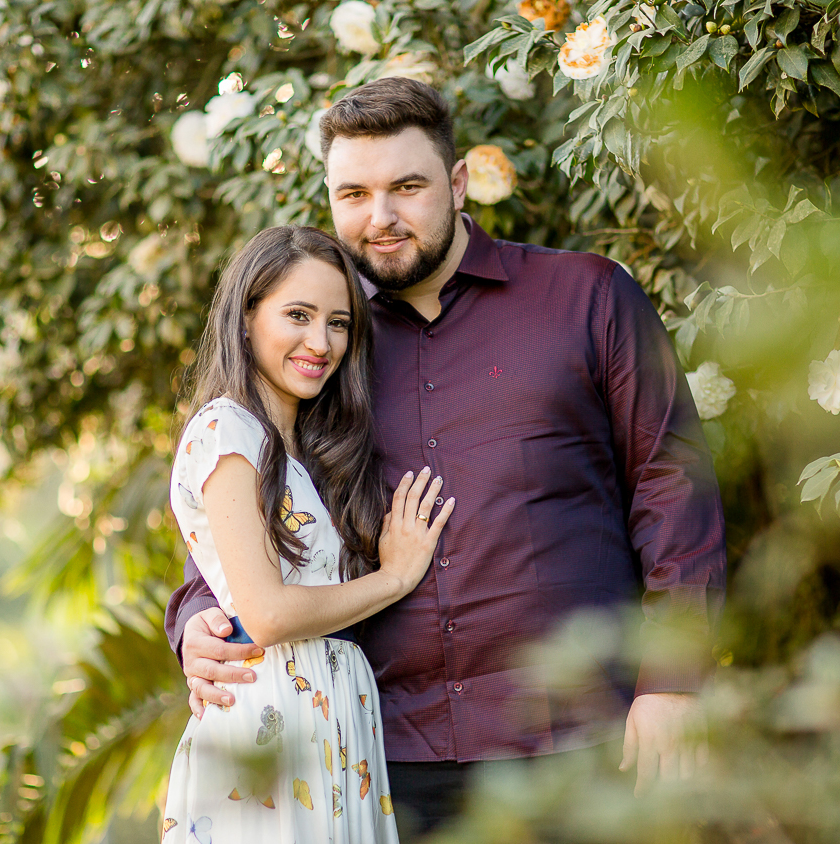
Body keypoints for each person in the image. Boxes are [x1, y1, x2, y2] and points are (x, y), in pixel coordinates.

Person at [166, 77, 727, 837]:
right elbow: (256, 508)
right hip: (393, 757)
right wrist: (198, 616)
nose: (381, 218)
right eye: (354, 194)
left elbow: (672, 484)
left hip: (585, 736)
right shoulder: (324, 348)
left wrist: (672, 684)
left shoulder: (585, 299)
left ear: (458, 184)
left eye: (407, 186)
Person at [159, 225, 454, 843]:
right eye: (298, 314)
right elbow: (265, 614)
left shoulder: (308, 449)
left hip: (335, 721)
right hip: (271, 728)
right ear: (246, 316)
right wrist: (395, 577)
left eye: (339, 323)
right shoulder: (226, 430)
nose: (320, 342)